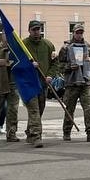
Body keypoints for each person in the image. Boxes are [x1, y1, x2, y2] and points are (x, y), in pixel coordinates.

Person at [56, 23, 90, 142]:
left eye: (81, 32)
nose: (79, 35)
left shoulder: (88, 47)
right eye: (77, 32)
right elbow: (59, 65)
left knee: (88, 109)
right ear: (73, 33)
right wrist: (69, 67)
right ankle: (67, 131)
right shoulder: (66, 47)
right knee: (69, 108)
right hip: (71, 83)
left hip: (85, 82)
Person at [22, 20, 55, 148]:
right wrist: (29, 66)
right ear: (29, 30)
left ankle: (30, 131)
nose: (36, 32)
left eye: (38, 29)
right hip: (29, 84)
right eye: (34, 29)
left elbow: (55, 63)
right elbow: (17, 63)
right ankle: (37, 136)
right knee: (34, 110)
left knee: (40, 109)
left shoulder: (48, 45)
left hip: (43, 83)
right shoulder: (23, 45)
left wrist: (50, 75)